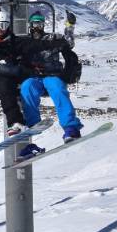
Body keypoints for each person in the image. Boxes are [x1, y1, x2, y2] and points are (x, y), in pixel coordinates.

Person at [0, 8, 73, 136]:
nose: (0, 29)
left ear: (8, 26)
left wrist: (62, 40)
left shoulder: (15, 42)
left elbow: (38, 45)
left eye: (3, 25)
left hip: (4, 76)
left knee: (6, 90)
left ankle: (15, 122)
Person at [19, 10, 83, 143]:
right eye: (35, 24)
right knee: (27, 88)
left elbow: (69, 43)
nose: (37, 27)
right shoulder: (25, 41)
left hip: (52, 74)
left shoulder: (52, 38)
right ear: (30, 25)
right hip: (34, 76)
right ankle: (33, 123)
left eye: (40, 24)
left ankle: (70, 127)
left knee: (58, 89)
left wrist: (70, 25)